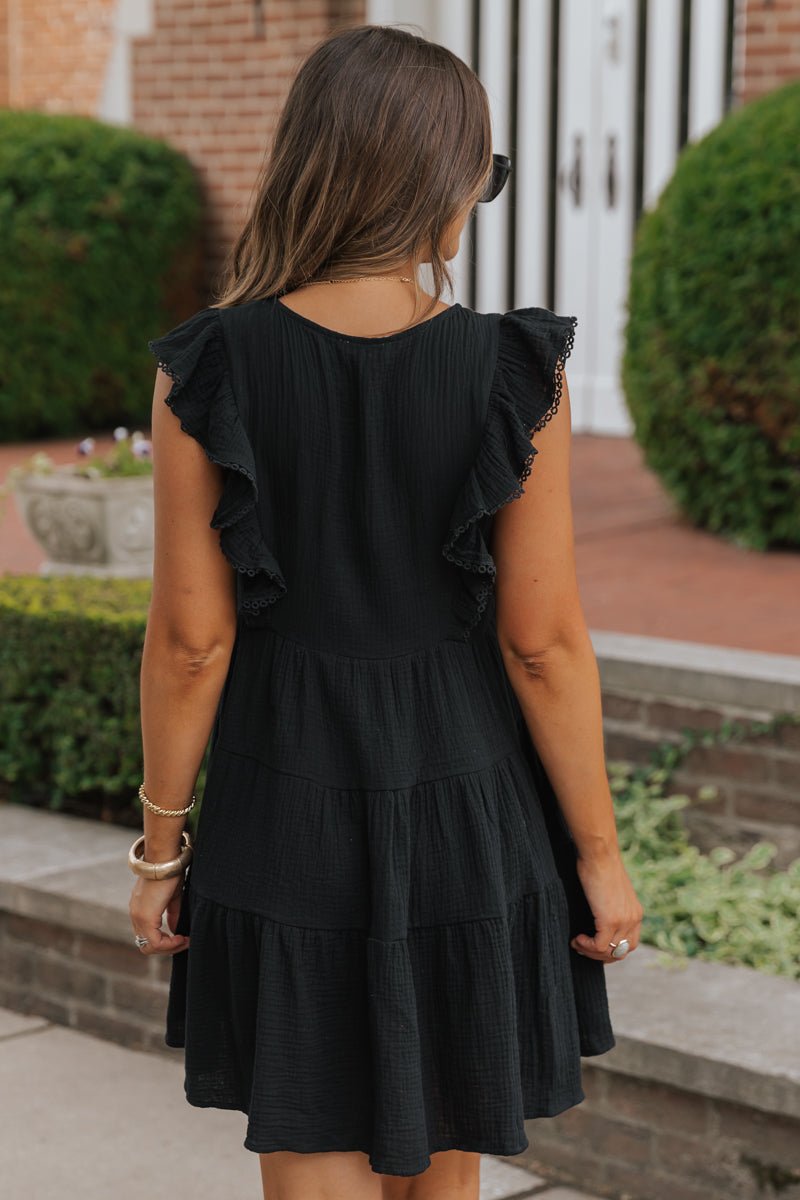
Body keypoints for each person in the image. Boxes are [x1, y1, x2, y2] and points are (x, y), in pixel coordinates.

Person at [128, 21, 644, 1200]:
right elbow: (543, 643)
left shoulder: (209, 369)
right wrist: (599, 858)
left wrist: (161, 849)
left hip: (281, 810)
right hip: (467, 810)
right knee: (444, 1170)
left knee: (310, 1146)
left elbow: (193, 643)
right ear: (437, 181)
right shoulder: (512, 372)